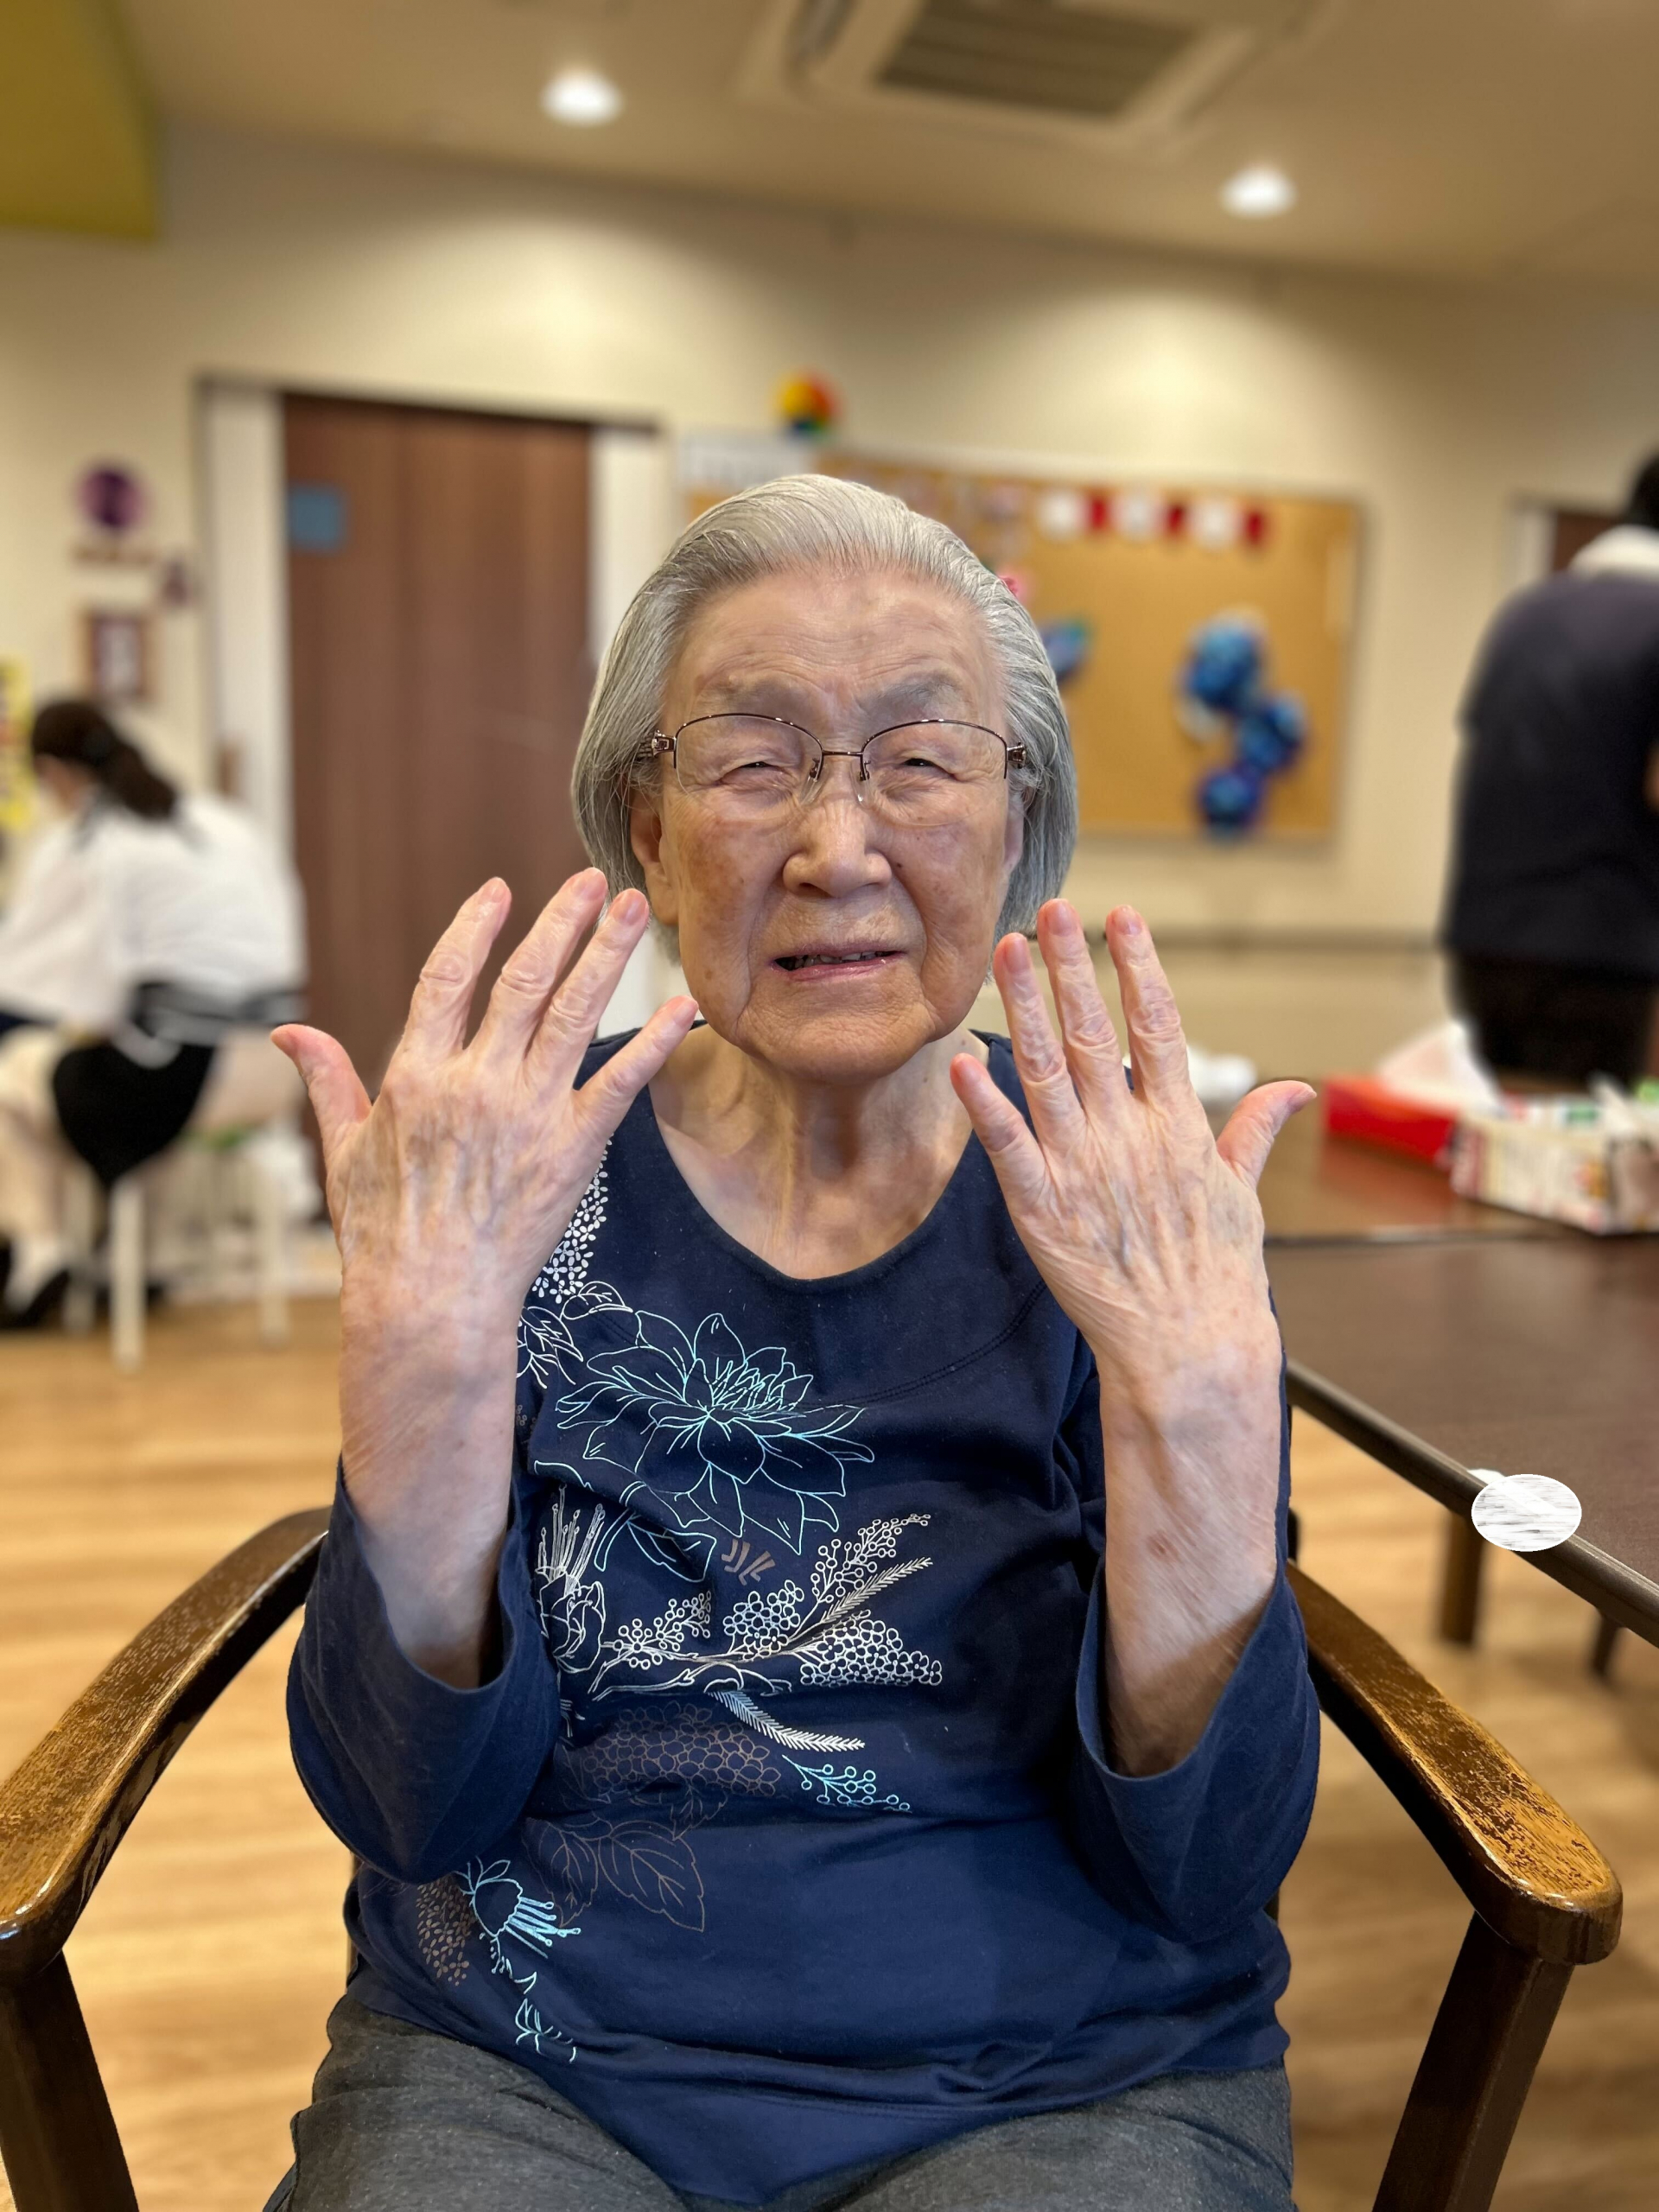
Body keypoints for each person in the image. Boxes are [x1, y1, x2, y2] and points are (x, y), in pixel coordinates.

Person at [269, 476, 1319, 2212]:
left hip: (1061, 2078)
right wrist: (422, 1363)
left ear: (1018, 819)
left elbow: (1210, 1859)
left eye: (921, 759)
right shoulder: (521, 1167)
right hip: (534, 2061)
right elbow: (407, 1805)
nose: (839, 846)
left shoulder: (1120, 1198)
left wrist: (1193, 1405)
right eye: (754, 761)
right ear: (648, 823)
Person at [0, 699, 303, 1325]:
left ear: (53, 773)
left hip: (181, 1075)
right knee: (107, 1061)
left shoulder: (99, 839)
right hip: (274, 1067)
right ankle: (141, 1260)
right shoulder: (225, 822)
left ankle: (40, 1250)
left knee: (15, 1075)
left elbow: (66, 983)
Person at [1442, 453, 1659, 1087]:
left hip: (1485, 939)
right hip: (1600, 951)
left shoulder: (1526, 612)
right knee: (1577, 1137)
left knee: (1499, 1125)